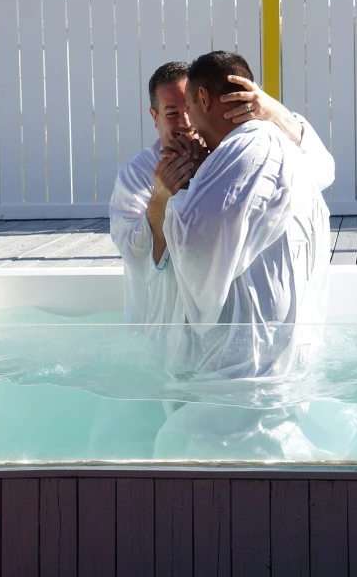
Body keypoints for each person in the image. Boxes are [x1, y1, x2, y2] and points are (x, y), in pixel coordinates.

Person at [149, 51, 332, 459]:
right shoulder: (282, 147)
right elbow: (325, 166)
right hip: (281, 351)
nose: (190, 125)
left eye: (189, 109)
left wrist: (175, 193)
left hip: (247, 363)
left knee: (221, 458)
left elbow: (199, 245)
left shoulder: (244, 150)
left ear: (203, 98)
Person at [110, 60, 334, 327]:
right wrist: (160, 198)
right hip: (160, 327)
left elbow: (321, 171)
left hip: (224, 328)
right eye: (172, 113)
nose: (186, 122)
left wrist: (276, 112)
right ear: (154, 116)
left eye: (189, 108)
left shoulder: (239, 155)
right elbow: (136, 258)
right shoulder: (137, 174)